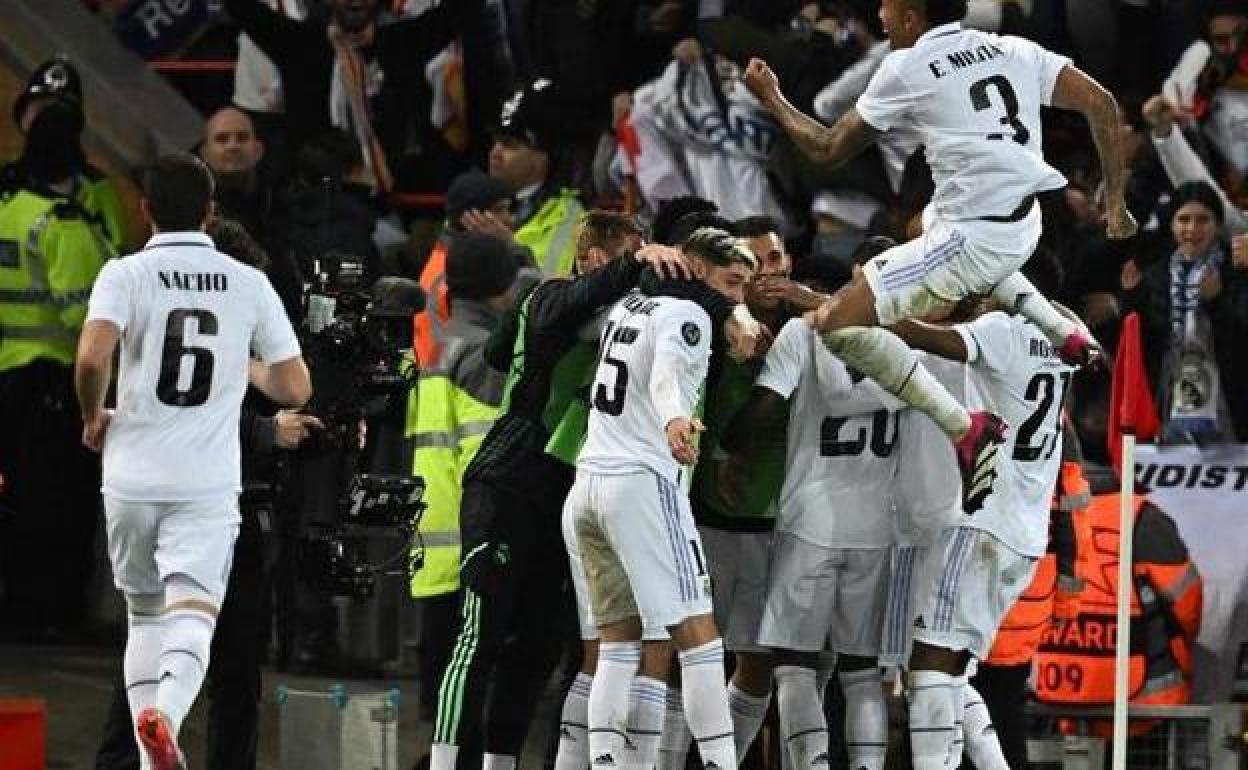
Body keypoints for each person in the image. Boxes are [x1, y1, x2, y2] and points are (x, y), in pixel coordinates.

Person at [742, 0, 1137, 512]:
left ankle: (966, 429)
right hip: (1023, 223)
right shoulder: (1010, 49)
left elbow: (825, 148)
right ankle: (1062, 328)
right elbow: (1102, 103)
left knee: (836, 323)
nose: (879, 17)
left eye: (886, 7)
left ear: (911, 17)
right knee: (924, 221)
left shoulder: (907, 65)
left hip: (971, 241)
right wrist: (1115, 204)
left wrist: (771, 98)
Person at [429, 213, 758, 770]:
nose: (646, 268)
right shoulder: (552, 295)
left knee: (547, 647)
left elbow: (499, 352)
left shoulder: (620, 309)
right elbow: (659, 355)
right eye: (633, 257)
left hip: (574, 482)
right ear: (599, 259)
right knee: (481, 638)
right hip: (514, 481)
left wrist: (722, 304)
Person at [74, 154, 311, 769]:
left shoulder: (123, 273)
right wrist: (244, 363)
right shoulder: (247, 282)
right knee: (193, 618)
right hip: (204, 483)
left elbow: (92, 359)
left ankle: (152, 756)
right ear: (209, 210)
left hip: (130, 475)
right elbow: (295, 389)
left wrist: (93, 414)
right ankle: (167, 720)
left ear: (145, 209)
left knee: (143, 615)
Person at [563, 227, 757, 770]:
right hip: (643, 484)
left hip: (589, 486)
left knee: (617, 644)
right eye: (732, 282)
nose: (737, 297)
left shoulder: (629, 303)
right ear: (695, 270)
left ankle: (602, 762)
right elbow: (670, 370)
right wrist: (675, 418)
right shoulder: (688, 315)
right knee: (700, 640)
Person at [890, 252, 1076, 770]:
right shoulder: (1067, 332)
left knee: (928, 661)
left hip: (982, 521)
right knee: (956, 669)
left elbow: (922, 337)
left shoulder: (1001, 329)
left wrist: (848, 308)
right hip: (1026, 532)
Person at [722, 310, 904, 770]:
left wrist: (730, 444)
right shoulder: (910, 335)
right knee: (861, 671)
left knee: (795, 665)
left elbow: (765, 407)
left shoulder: (805, 332)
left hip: (810, 522)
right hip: (878, 526)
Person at [0, 55, 118, 641]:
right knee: (51, 501)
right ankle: (44, 612)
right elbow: (93, 303)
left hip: (42, 373)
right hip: (50, 374)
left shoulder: (74, 197)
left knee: (49, 500)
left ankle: (40, 609)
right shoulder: (57, 216)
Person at [407, 232, 530, 739]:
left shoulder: (438, 350)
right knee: (468, 711)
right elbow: (486, 460)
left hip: (432, 547)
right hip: (470, 548)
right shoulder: (484, 358)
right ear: (504, 293)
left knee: (443, 707)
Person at [1120, 181, 1248, 442]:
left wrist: (1217, 301)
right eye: (1184, 219)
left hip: (1228, 396)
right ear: (1172, 224)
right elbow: (1146, 341)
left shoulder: (1235, 271)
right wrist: (1133, 295)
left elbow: (1241, 334)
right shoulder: (1156, 273)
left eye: (1203, 220)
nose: (1192, 229)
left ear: (1218, 225)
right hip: (1168, 391)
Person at [1, 55, 127, 252]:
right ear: (23, 118)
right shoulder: (5, 183)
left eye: (59, 112)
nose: (49, 120)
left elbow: (116, 253)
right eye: (41, 109)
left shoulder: (98, 187)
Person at [412, 168, 519, 367]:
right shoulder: (451, 273)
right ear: (471, 217)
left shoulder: (449, 260)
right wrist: (514, 248)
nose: (509, 219)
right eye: (499, 210)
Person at [489, 79, 586, 276]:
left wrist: (511, 248)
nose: (494, 153)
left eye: (509, 145)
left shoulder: (570, 215)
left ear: (542, 156)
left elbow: (551, 285)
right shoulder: (471, 203)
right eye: (494, 142)